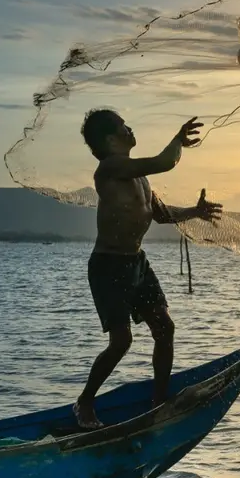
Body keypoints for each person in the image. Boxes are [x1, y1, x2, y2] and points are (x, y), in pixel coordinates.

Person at [72, 109, 223, 430]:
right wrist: (178, 140)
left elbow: (163, 215)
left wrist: (195, 211)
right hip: (108, 265)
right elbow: (165, 161)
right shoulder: (110, 168)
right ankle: (84, 402)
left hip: (136, 262)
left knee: (164, 328)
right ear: (110, 140)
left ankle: (159, 402)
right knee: (121, 341)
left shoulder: (140, 177)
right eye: (123, 126)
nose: (130, 129)